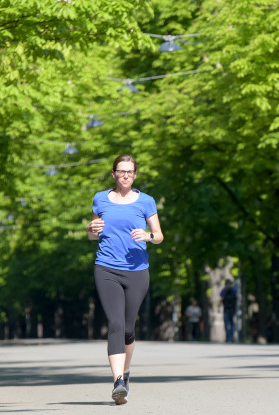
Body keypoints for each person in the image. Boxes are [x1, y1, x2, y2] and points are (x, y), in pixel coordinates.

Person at [87, 154, 164, 405]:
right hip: (106, 268)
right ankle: (118, 381)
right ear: (113, 174)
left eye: (130, 172)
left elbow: (159, 235)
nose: (126, 176)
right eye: (121, 172)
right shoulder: (100, 199)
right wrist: (90, 230)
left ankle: (126, 373)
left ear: (135, 175)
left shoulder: (146, 201)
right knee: (116, 324)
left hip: (137, 270)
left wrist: (148, 236)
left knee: (129, 328)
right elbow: (94, 233)